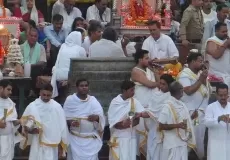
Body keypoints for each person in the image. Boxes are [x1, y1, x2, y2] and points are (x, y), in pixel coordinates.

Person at [20, 84, 68, 160]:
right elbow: (25, 124)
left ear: (52, 94)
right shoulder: (33, 106)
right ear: (40, 93)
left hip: (53, 143)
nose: (46, 97)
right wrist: (31, 130)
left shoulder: (57, 107)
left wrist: (61, 146)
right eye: (44, 95)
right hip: (37, 142)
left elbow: (63, 127)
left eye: (48, 95)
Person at [177, 53, 211, 159]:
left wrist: (203, 77)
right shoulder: (184, 74)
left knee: (199, 138)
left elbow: (205, 90)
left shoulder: (200, 74)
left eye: (202, 61)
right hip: (191, 112)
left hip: (200, 111)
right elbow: (188, 91)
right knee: (192, 137)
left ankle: (198, 157)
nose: (202, 64)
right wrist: (201, 79)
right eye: (200, 61)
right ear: (192, 62)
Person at [63, 78, 105, 160]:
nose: (84, 87)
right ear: (77, 87)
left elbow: (101, 118)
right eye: (81, 86)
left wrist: (96, 118)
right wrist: (71, 122)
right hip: (75, 139)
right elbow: (63, 118)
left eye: (86, 86)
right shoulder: (70, 100)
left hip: (90, 140)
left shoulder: (93, 101)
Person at [108, 80, 149, 160]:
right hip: (118, 138)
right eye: (131, 90)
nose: (133, 92)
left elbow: (141, 117)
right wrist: (122, 124)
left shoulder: (135, 102)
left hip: (131, 138)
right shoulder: (115, 102)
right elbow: (112, 122)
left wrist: (130, 123)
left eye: (134, 89)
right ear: (124, 91)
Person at [158, 81, 196, 160]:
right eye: (182, 90)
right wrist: (177, 125)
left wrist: (192, 117)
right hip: (171, 144)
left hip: (182, 142)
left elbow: (184, 121)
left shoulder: (182, 105)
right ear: (180, 91)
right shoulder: (167, 107)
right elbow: (161, 126)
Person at [146, 74, 175, 160]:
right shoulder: (155, 95)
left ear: (170, 85)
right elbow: (150, 110)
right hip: (154, 129)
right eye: (160, 83)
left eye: (164, 84)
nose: (161, 86)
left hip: (166, 130)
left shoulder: (172, 98)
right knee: (153, 152)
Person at [51, 31, 86, 98]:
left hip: (58, 75)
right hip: (70, 76)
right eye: (81, 38)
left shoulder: (63, 46)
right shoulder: (80, 49)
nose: (82, 40)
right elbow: (83, 66)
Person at [205, 83, 230, 160]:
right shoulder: (210, 107)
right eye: (220, 95)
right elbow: (206, 123)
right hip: (215, 144)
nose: (223, 97)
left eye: (225, 95)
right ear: (216, 95)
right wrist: (218, 119)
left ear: (228, 94)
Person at [0, 80, 22, 160]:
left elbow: (13, 121)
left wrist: (20, 121)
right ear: (1, 88)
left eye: (11, 90)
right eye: (8, 89)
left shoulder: (11, 104)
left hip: (8, 139)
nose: (10, 92)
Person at [205, 22, 230, 90]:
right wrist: (226, 44)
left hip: (227, 75)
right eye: (223, 31)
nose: (225, 33)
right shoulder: (211, 41)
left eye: (226, 31)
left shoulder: (226, 40)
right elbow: (216, 55)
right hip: (216, 76)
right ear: (216, 31)